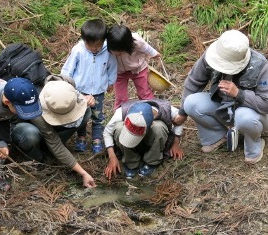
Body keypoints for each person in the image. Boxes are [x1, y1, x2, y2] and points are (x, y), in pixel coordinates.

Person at [174, 29, 268, 164]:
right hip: (224, 107)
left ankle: (254, 145)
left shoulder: (261, 65)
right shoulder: (215, 53)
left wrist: (239, 94)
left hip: (253, 114)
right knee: (191, 103)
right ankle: (216, 136)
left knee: (244, 117)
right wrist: (182, 112)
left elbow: (266, 103)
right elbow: (193, 82)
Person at [29, 75, 97, 188]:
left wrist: (88, 99)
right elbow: (55, 144)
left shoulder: (67, 82)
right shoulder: (35, 107)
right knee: (29, 135)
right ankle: (37, 158)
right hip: (33, 128)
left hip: (52, 127)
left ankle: (56, 145)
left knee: (87, 110)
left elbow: (77, 97)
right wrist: (83, 173)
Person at [61, 18, 117, 154]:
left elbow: (112, 67)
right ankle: (81, 137)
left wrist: (111, 82)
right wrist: (67, 84)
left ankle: (97, 139)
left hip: (98, 91)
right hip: (79, 90)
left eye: (97, 45)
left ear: (104, 40)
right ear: (84, 40)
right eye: (90, 45)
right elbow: (68, 69)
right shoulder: (78, 50)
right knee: (80, 114)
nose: (93, 48)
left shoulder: (108, 51)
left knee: (98, 116)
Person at [103, 99, 184, 180]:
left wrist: (175, 142)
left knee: (159, 127)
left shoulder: (167, 109)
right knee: (118, 128)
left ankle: (151, 161)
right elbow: (107, 132)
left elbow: (180, 121)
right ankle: (131, 162)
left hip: (151, 139)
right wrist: (112, 156)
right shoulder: (121, 112)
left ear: (151, 124)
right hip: (131, 147)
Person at [106, 24, 161, 110]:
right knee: (121, 97)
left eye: (121, 52)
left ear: (128, 46)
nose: (118, 55)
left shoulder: (136, 41)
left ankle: (151, 109)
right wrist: (109, 82)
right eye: (115, 52)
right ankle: (121, 112)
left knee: (144, 92)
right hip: (119, 72)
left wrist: (154, 53)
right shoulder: (108, 45)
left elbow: (146, 48)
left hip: (138, 69)